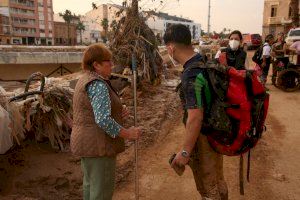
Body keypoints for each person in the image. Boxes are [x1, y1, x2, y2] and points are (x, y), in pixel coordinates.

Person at [164, 24, 228, 200]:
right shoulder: (204, 61)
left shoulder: (191, 74)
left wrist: (185, 152)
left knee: (208, 187)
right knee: (218, 178)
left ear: (171, 47)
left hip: (204, 137)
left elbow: (195, 117)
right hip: (216, 131)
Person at [70, 43, 141, 200]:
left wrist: (117, 110)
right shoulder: (98, 85)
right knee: (101, 192)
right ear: (96, 64)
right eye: (108, 61)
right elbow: (102, 120)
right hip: (99, 147)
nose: (112, 65)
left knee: (91, 188)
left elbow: (90, 109)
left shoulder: (85, 80)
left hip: (86, 145)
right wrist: (128, 133)